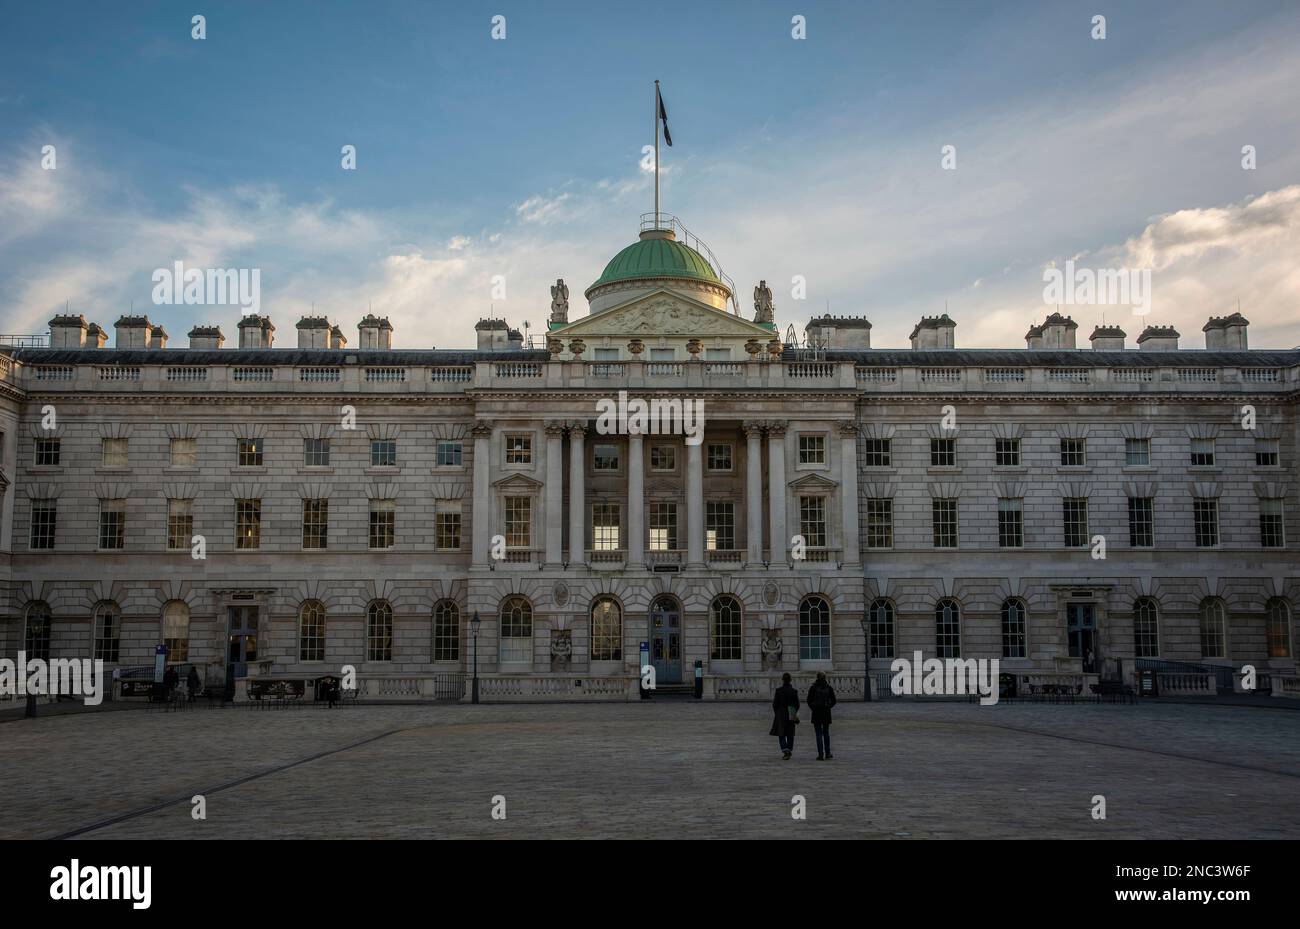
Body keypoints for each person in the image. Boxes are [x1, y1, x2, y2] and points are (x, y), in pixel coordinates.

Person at [807, 671, 837, 760]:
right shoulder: (828, 687)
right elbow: (834, 700)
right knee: (826, 733)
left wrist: (813, 707)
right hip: (826, 712)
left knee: (818, 734)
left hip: (816, 712)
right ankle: (827, 753)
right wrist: (828, 706)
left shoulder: (813, 687)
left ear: (817, 677)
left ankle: (820, 754)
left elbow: (809, 700)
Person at [770, 672, 800, 759]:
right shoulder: (794, 691)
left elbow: (775, 704)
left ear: (782, 680)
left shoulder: (779, 691)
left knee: (781, 733)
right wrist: (793, 712)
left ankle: (785, 749)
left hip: (781, 713)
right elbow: (797, 704)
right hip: (791, 712)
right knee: (790, 733)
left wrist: (778, 713)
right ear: (790, 680)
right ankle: (789, 749)